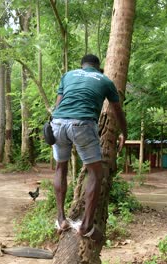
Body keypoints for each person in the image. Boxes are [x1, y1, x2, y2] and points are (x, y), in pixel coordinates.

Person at [51, 54, 127, 240]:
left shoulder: (68, 75)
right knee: (96, 173)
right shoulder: (105, 80)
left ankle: (61, 219)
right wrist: (124, 133)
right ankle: (86, 226)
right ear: (98, 67)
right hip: (82, 124)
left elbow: (58, 104)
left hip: (58, 123)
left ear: (82, 66)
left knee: (61, 166)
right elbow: (117, 110)